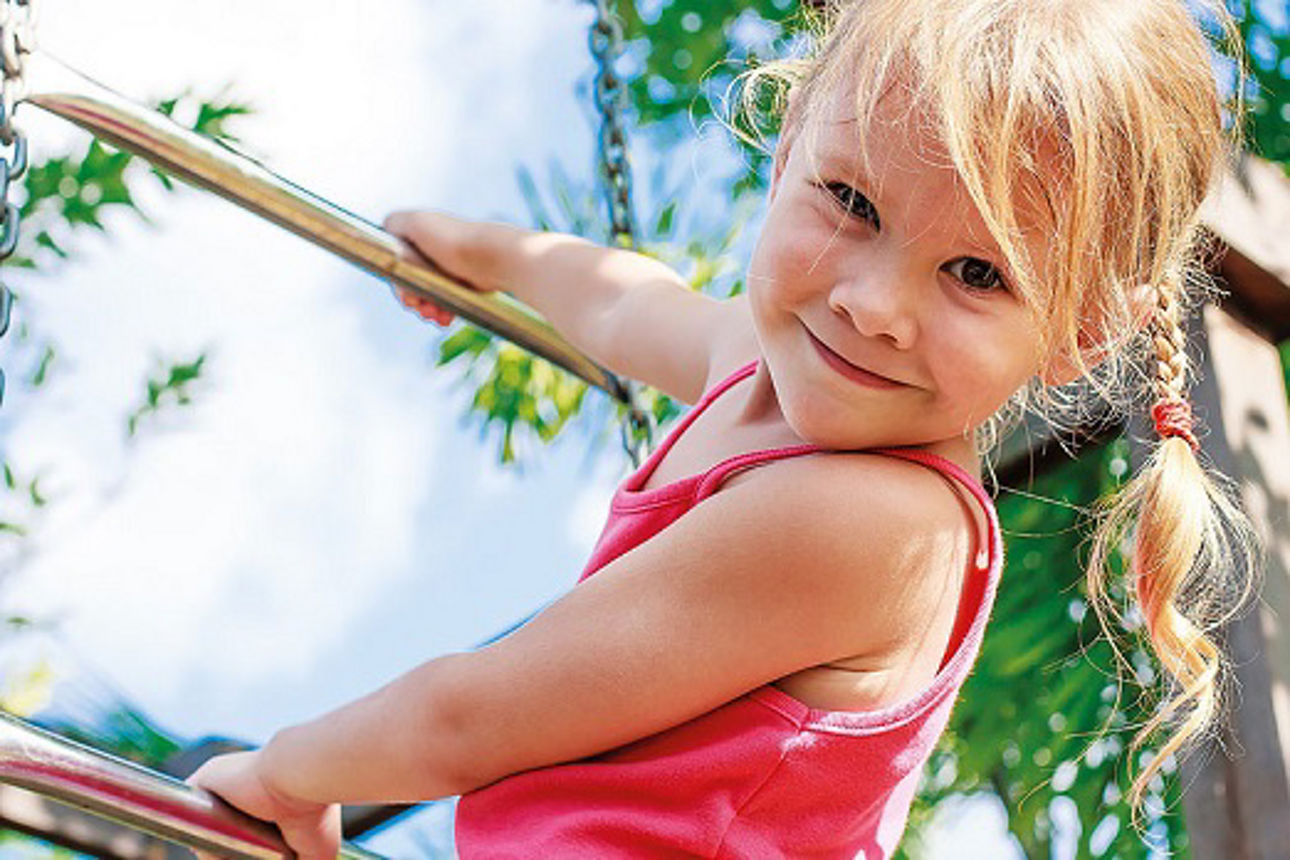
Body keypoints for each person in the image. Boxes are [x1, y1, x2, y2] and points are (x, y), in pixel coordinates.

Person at [188, 0, 1258, 856]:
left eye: (976, 273)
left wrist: (286, 771)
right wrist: (487, 254)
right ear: (790, 142)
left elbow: (474, 714)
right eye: (852, 201)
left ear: (1077, 331)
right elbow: (619, 300)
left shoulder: (877, 525)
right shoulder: (754, 363)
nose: (873, 304)